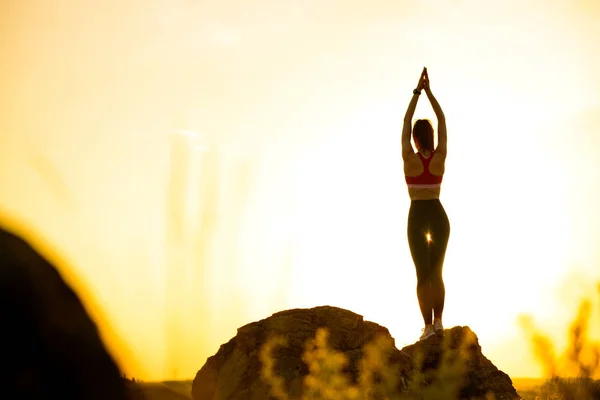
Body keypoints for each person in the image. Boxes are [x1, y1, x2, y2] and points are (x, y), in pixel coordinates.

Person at [401, 67, 450, 341]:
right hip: (438, 213)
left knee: (423, 274)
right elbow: (441, 118)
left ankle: (429, 327)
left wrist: (417, 92)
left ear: (415, 139)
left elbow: (406, 121)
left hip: (417, 215)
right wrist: (430, 93)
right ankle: (440, 322)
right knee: (437, 271)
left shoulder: (409, 156)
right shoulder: (440, 155)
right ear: (431, 137)